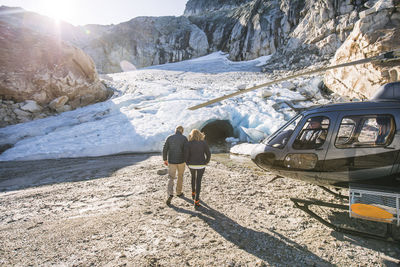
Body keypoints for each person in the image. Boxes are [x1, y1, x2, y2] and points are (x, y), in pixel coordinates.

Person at [184, 129, 211, 209]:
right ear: (199, 134)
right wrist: (206, 162)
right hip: (201, 165)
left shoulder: (188, 143)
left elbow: (186, 155)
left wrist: (187, 163)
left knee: (193, 177)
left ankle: (193, 192)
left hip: (192, 165)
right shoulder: (203, 143)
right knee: (198, 181)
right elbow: (208, 154)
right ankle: (196, 200)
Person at [163, 125, 188, 206]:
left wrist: (165, 159)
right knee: (180, 176)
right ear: (182, 131)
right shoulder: (184, 138)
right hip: (181, 161)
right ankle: (179, 192)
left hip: (171, 161)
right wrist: (187, 160)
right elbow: (186, 150)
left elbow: (165, 148)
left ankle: (170, 193)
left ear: (175, 130)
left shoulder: (169, 137)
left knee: (171, 177)